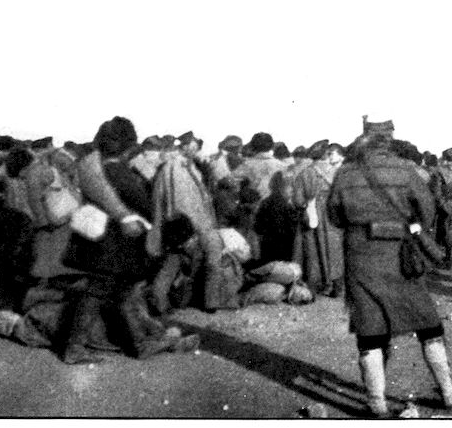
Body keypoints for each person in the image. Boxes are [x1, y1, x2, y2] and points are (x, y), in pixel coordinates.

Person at [326, 126, 452, 417]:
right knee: (427, 324)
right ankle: (449, 394)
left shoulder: (345, 173)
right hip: (401, 254)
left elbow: (334, 216)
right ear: (388, 141)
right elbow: (427, 211)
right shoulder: (404, 169)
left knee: (369, 329)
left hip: (360, 256)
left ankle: (377, 404)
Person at [61, 116, 199, 364]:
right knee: (102, 292)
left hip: (101, 242)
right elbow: (144, 205)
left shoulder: (96, 169)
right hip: (115, 247)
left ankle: (140, 343)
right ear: (128, 145)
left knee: (120, 292)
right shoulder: (119, 172)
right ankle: (76, 348)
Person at [152, 131, 240, 311]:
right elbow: (175, 199)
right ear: (185, 146)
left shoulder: (190, 166)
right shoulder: (173, 167)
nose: (197, 149)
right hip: (184, 224)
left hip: (199, 222)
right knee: (177, 263)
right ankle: (164, 302)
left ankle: (209, 302)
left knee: (203, 260)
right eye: (193, 145)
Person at [293, 142, 347, 297]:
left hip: (311, 214)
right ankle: (337, 285)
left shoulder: (304, 173)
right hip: (333, 214)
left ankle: (314, 284)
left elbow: (298, 201)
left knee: (311, 248)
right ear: (326, 155)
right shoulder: (338, 173)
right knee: (335, 248)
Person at [232, 132, 289, 200]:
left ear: (252, 146)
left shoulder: (247, 165)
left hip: (254, 202)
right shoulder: (282, 166)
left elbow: (232, 180)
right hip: (277, 203)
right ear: (271, 147)